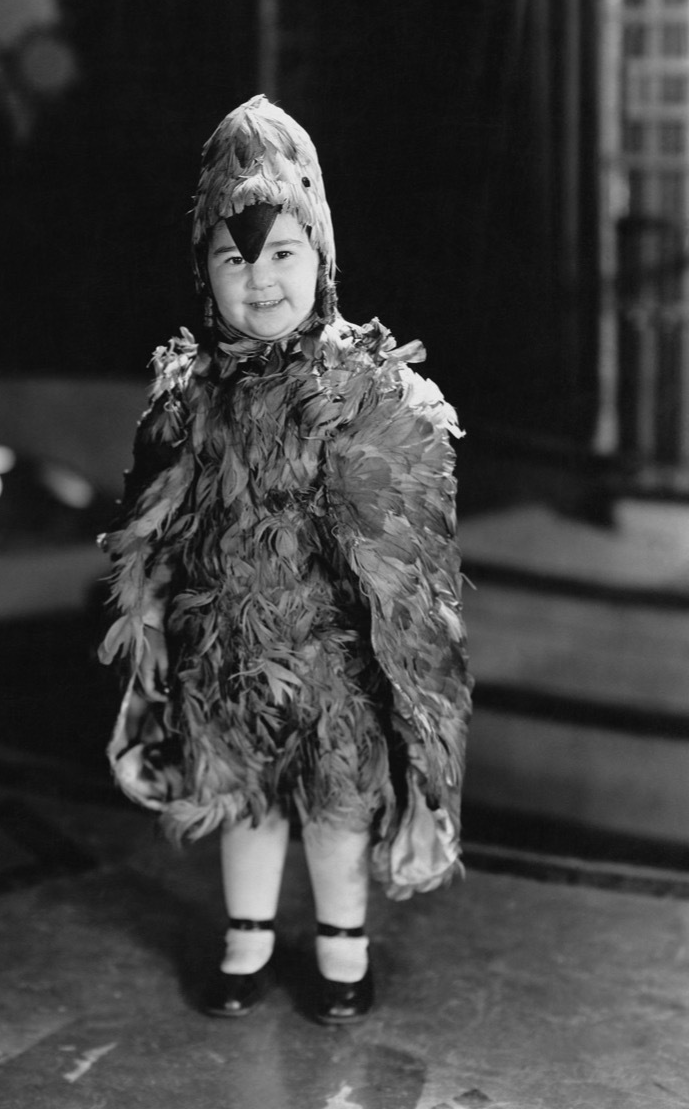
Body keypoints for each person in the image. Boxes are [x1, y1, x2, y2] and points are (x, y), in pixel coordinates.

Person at [98, 95, 472, 1025]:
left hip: (336, 662)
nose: (259, 280)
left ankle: (343, 945)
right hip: (224, 649)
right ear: (204, 269)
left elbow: (408, 563)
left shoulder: (369, 393)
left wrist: (414, 697)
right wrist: (151, 629)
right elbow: (149, 522)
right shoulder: (190, 394)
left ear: (322, 259)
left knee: (337, 802)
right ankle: (249, 938)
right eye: (234, 257)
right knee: (242, 796)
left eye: (282, 254)